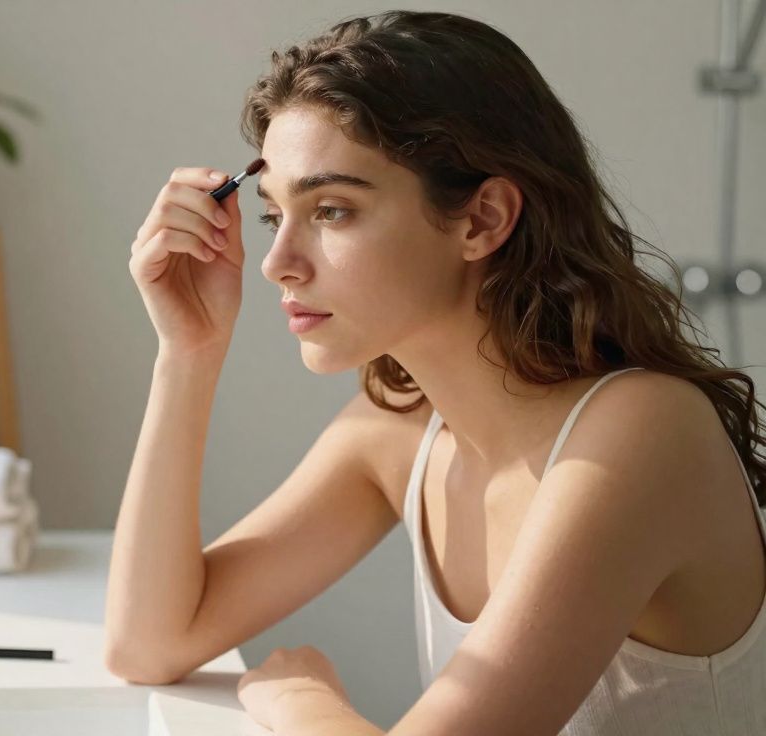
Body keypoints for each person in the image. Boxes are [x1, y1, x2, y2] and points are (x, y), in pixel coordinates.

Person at [104, 10, 766, 736]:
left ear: (483, 219)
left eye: (331, 210)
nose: (277, 263)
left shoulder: (640, 436)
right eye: (272, 216)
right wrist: (188, 352)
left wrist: (301, 702)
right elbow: (149, 643)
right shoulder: (400, 430)